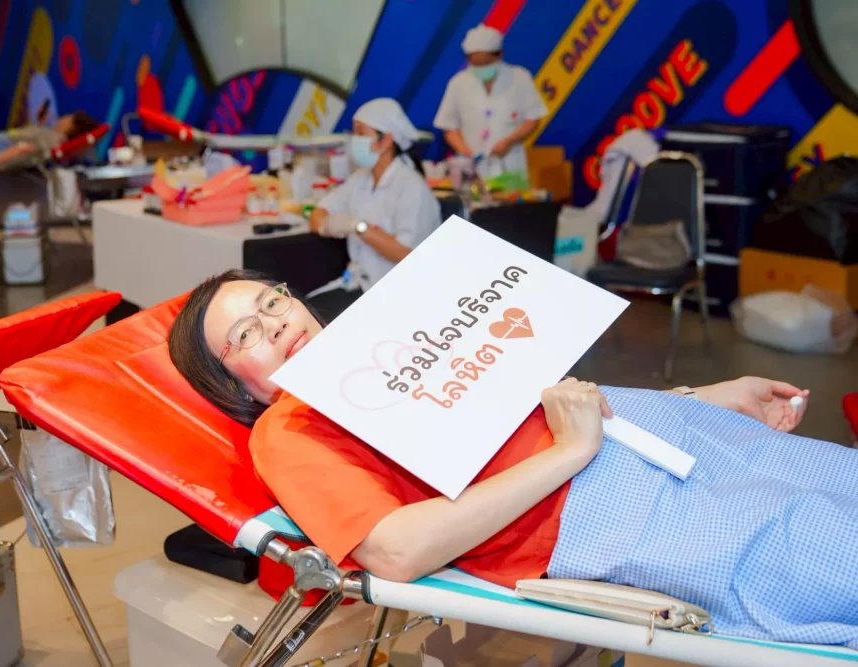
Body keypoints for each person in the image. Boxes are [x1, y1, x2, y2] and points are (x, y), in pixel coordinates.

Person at [169, 269, 858, 650]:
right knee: (826, 548)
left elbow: (548, 407)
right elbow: (396, 550)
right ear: (235, 386)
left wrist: (702, 399)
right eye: (245, 334)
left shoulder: (389, 343)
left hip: (651, 430)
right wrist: (572, 453)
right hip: (598, 507)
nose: (276, 322)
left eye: (272, 300)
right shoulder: (289, 430)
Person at [307, 98, 440, 321]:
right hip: (359, 285)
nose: (354, 140)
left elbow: (407, 253)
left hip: (399, 296)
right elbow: (318, 212)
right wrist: (325, 225)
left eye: (361, 133)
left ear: (385, 140)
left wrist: (359, 228)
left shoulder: (412, 187)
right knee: (308, 311)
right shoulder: (360, 179)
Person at [434, 25, 548, 180]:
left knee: (510, 196)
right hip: (471, 168)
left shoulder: (520, 77)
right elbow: (449, 126)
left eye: (486, 63)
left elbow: (533, 119)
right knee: (471, 194)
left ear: (500, 55)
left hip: (509, 166)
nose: (481, 68)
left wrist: (509, 141)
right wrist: (465, 151)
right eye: (476, 64)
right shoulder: (458, 83)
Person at [0, 110, 102, 174]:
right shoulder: (52, 135)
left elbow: (26, 148)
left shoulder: (56, 140)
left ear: (72, 126)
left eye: (68, 117)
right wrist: (39, 123)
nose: (63, 118)